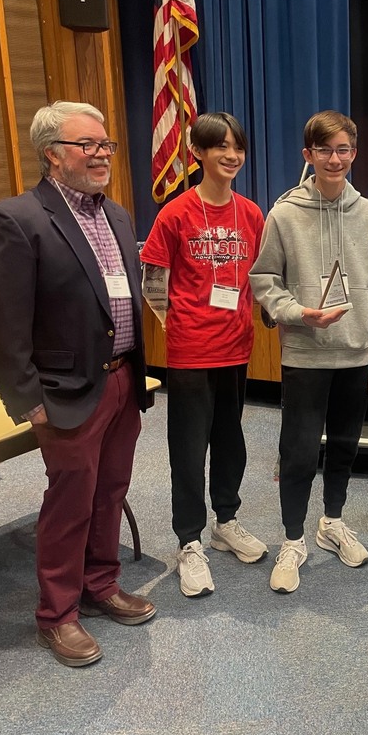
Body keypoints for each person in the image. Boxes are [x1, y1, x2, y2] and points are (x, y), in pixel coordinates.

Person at [0, 101, 154, 667]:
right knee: (69, 503)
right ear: (53, 154)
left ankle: (101, 584)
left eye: (106, 145)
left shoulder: (119, 216)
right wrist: (26, 399)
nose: (102, 155)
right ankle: (58, 613)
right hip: (64, 391)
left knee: (110, 492)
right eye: (89, 145)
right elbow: (2, 322)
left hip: (124, 377)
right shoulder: (19, 218)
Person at [250, 110, 368, 593]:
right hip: (306, 357)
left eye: (343, 150)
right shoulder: (284, 213)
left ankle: (331, 521)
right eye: (324, 150)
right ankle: (293, 540)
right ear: (307, 155)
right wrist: (297, 312)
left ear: (353, 154)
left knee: (345, 448)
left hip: (356, 357)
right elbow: (264, 279)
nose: (334, 160)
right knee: (297, 453)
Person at [140, 112, 267, 598]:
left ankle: (226, 521)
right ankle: (189, 540)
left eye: (238, 147)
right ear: (198, 153)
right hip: (191, 354)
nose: (231, 156)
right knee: (189, 451)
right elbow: (153, 281)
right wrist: (183, 326)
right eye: (221, 147)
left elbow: (258, 275)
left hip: (237, 349)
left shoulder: (251, 213)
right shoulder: (176, 213)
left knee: (231, 441)